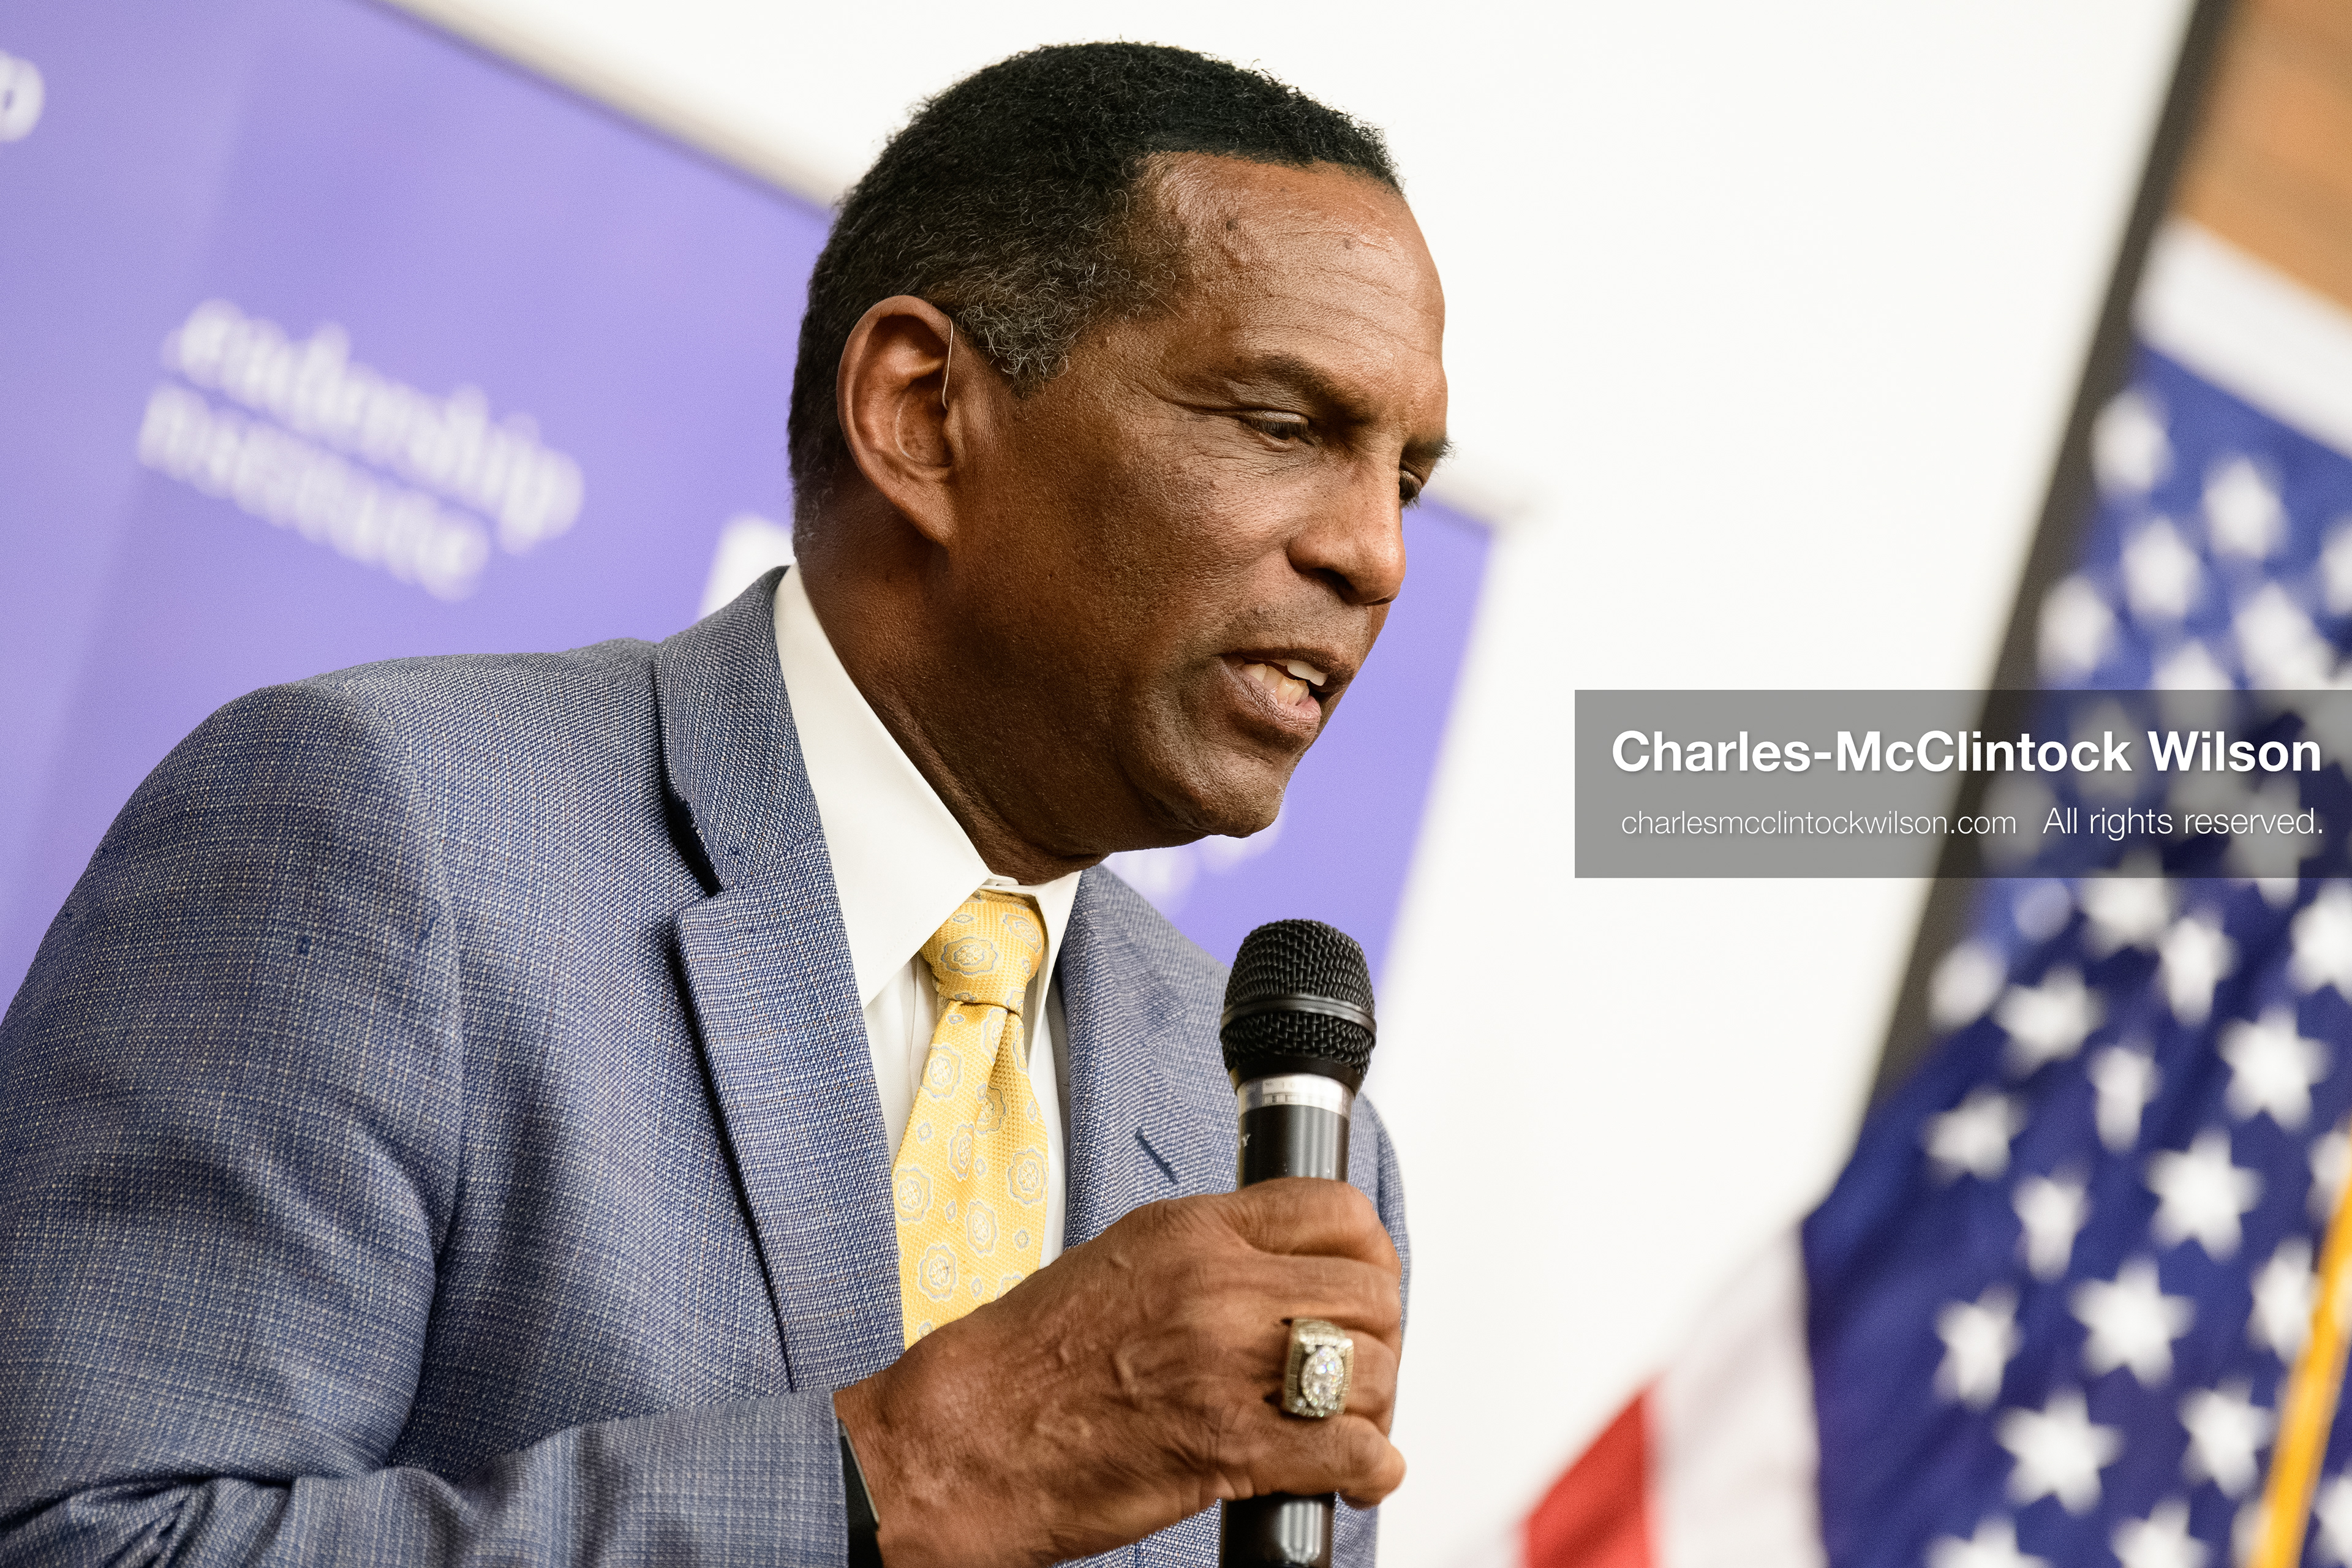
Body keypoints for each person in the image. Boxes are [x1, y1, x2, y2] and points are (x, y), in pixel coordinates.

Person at [0, 40, 1448, 1567]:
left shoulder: (1272, 1145)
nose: (1375, 555)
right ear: (922, 409)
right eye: (1285, 426)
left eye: (1407, 476)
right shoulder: (380, 830)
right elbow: (84, 1540)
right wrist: (905, 1471)